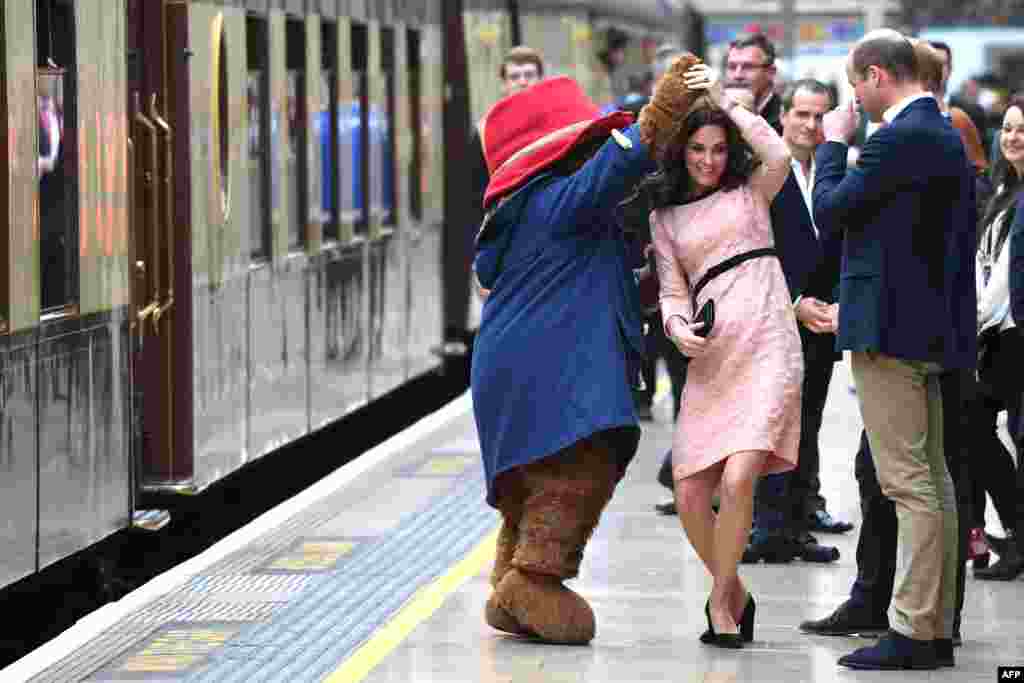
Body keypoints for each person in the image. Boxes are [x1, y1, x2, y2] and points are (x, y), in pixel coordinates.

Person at [471, 59, 701, 644]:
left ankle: (510, 576)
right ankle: (533, 579)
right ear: (556, 154)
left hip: (516, 366)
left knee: (534, 481)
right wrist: (664, 109)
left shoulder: (527, 212)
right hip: (552, 368)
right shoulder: (557, 200)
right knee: (580, 465)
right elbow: (619, 163)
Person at [811, 29, 976, 670]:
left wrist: (831, 142)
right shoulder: (935, 133)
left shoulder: (900, 137)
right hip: (923, 329)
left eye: (855, 84)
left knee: (909, 486)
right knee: (930, 481)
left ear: (877, 75)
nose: (853, 96)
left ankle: (913, 630)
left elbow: (832, 208)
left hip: (893, 338)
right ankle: (928, 625)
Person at [649, 61, 803, 649]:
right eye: (698, 149)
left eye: (718, 148)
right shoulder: (665, 217)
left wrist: (725, 103)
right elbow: (670, 288)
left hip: (767, 340)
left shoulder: (752, 191)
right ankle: (734, 589)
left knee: (740, 477)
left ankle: (719, 603)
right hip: (713, 354)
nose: (710, 160)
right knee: (690, 490)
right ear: (681, 152)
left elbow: (779, 154)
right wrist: (676, 324)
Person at [743, 79, 848, 566]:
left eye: (820, 116)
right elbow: (749, 248)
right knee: (768, 421)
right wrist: (793, 300)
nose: (810, 125)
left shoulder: (837, 171)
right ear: (782, 117)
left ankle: (797, 524)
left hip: (823, 324)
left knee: (808, 423)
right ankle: (765, 528)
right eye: (801, 114)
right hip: (773, 317)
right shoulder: (762, 172)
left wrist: (836, 304)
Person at [969, 93, 1024, 581]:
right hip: (997, 335)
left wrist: (971, 323)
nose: (1012, 137)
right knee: (976, 427)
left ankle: (1016, 537)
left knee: (985, 426)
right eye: (1007, 127)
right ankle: (1014, 531)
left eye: (1022, 129)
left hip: (1008, 335)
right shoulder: (1002, 192)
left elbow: (1006, 278)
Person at [464, 47, 545, 336]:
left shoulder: (560, 126)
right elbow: (474, 200)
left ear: (541, 79)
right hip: (503, 250)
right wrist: (478, 261)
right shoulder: (485, 135)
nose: (523, 82)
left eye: (529, 75)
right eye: (515, 76)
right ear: (504, 83)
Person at [724, 33, 782, 133]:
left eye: (748, 67)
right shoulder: (717, 115)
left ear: (771, 72)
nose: (737, 75)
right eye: (732, 67)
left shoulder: (786, 120)